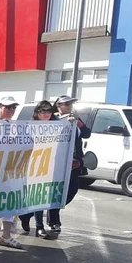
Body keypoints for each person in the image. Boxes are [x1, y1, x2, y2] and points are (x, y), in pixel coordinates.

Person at [51, 95, 91, 234]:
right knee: (56, 191)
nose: (69, 107)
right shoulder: (54, 119)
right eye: (66, 104)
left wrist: (78, 122)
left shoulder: (75, 119)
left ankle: (53, 210)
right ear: (58, 106)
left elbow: (87, 133)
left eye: (70, 104)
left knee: (72, 190)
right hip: (58, 162)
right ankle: (54, 220)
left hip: (74, 162)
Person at [0, 96, 23, 249]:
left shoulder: (16, 126)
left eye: (13, 108)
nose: (10, 110)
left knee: (9, 202)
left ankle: (6, 237)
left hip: (8, 170)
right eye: (7, 107)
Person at [19, 101, 57, 239]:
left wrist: (72, 124)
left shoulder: (57, 126)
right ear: (36, 113)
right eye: (43, 111)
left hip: (50, 165)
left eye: (49, 111)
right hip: (34, 165)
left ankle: (26, 215)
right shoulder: (30, 126)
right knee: (37, 195)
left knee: (46, 195)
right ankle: (39, 227)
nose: (46, 114)